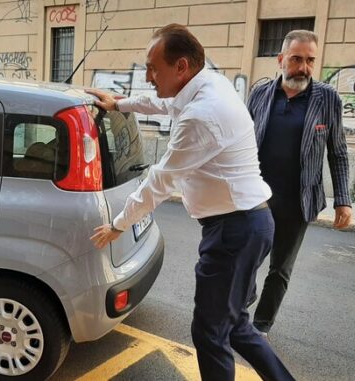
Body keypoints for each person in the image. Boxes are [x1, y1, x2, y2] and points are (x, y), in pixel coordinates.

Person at [88, 24, 294, 381]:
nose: (149, 76)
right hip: (248, 225)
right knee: (235, 325)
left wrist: (118, 224)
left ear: (181, 66)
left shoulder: (201, 116)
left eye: (154, 68)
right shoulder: (208, 85)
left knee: (210, 333)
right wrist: (119, 103)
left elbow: (160, 181)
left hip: (234, 232)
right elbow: (163, 101)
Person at [246, 30, 353, 337]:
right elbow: (240, 142)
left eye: (310, 60)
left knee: (280, 269)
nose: (304, 67)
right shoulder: (260, 94)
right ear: (281, 59)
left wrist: (343, 200)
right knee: (247, 260)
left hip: (298, 200)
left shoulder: (327, 98)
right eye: (296, 59)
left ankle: (261, 327)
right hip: (257, 199)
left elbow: (338, 151)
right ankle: (240, 309)